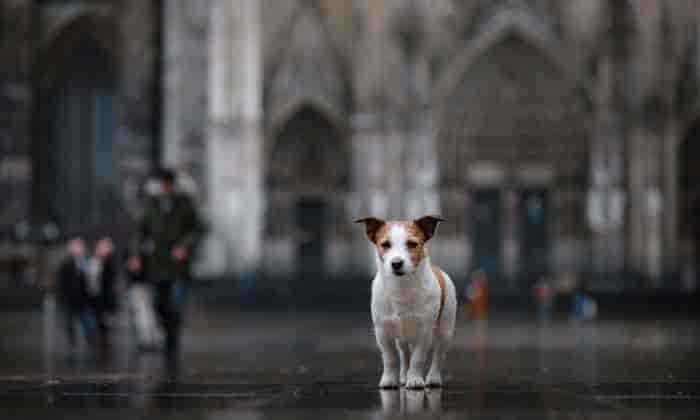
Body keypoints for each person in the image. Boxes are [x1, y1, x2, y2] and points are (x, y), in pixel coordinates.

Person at [131, 168, 204, 357]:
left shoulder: (185, 204)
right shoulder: (150, 205)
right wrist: (136, 255)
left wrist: (184, 246)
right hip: (156, 263)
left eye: (168, 184)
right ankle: (166, 330)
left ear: (172, 185)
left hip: (178, 265)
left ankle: (172, 338)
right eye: (163, 184)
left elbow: (196, 230)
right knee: (157, 303)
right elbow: (140, 232)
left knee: (175, 303)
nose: (165, 188)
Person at [57, 237, 96, 352]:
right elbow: (62, 283)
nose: (77, 249)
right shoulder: (66, 264)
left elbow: (91, 280)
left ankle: (91, 343)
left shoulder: (87, 262)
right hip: (71, 299)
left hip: (85, 300)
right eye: (74, 247)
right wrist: (63, 297)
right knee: (70, 324)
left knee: (88, 323)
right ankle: (72, 343)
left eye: (78, 246)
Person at [87, 237, 118, 350]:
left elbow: (109, 281)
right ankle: (100, 340)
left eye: (103, 248)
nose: (100, 250)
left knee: (104, 321)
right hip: (95, 296)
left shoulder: (109, 262)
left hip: (104, 297)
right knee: (98, 320)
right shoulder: (95, 261)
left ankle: (104, 341)